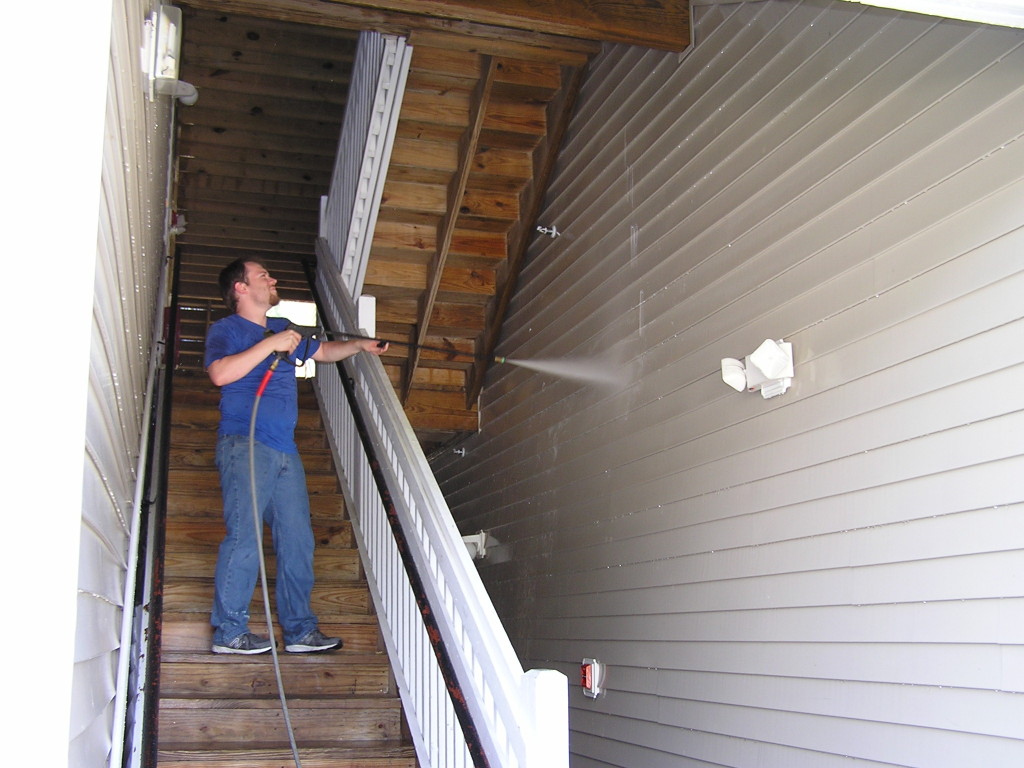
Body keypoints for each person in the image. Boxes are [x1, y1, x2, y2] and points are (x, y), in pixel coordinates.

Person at [204, 258, 388, 654]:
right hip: (246, 443)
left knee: (298, 539)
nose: (273, 279)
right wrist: (270, 344)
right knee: (245, 537)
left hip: (285, 450)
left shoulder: (281, 330)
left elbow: (322, 352)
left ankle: (300, 630)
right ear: (240, 288)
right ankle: (229, 631)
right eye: (263, 276)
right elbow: (220, 374)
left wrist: (359, 344)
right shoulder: (228, 329)